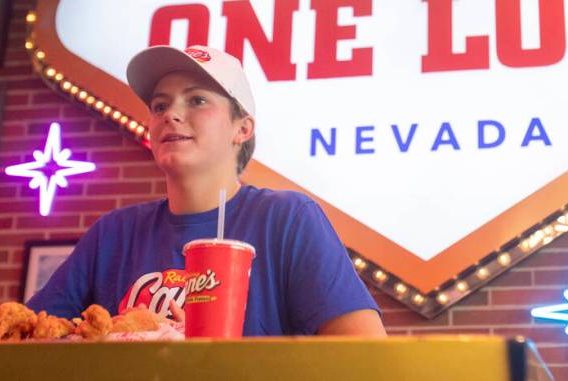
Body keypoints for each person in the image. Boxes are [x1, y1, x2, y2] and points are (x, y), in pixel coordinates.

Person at [28, 44, 385, 336]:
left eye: (197, 100)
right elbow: (28, 339)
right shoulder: (114, 233)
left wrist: (213, 360)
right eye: (160, 105)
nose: (170, 114)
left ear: (241, 129)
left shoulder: (287, 218)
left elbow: (365, 357)